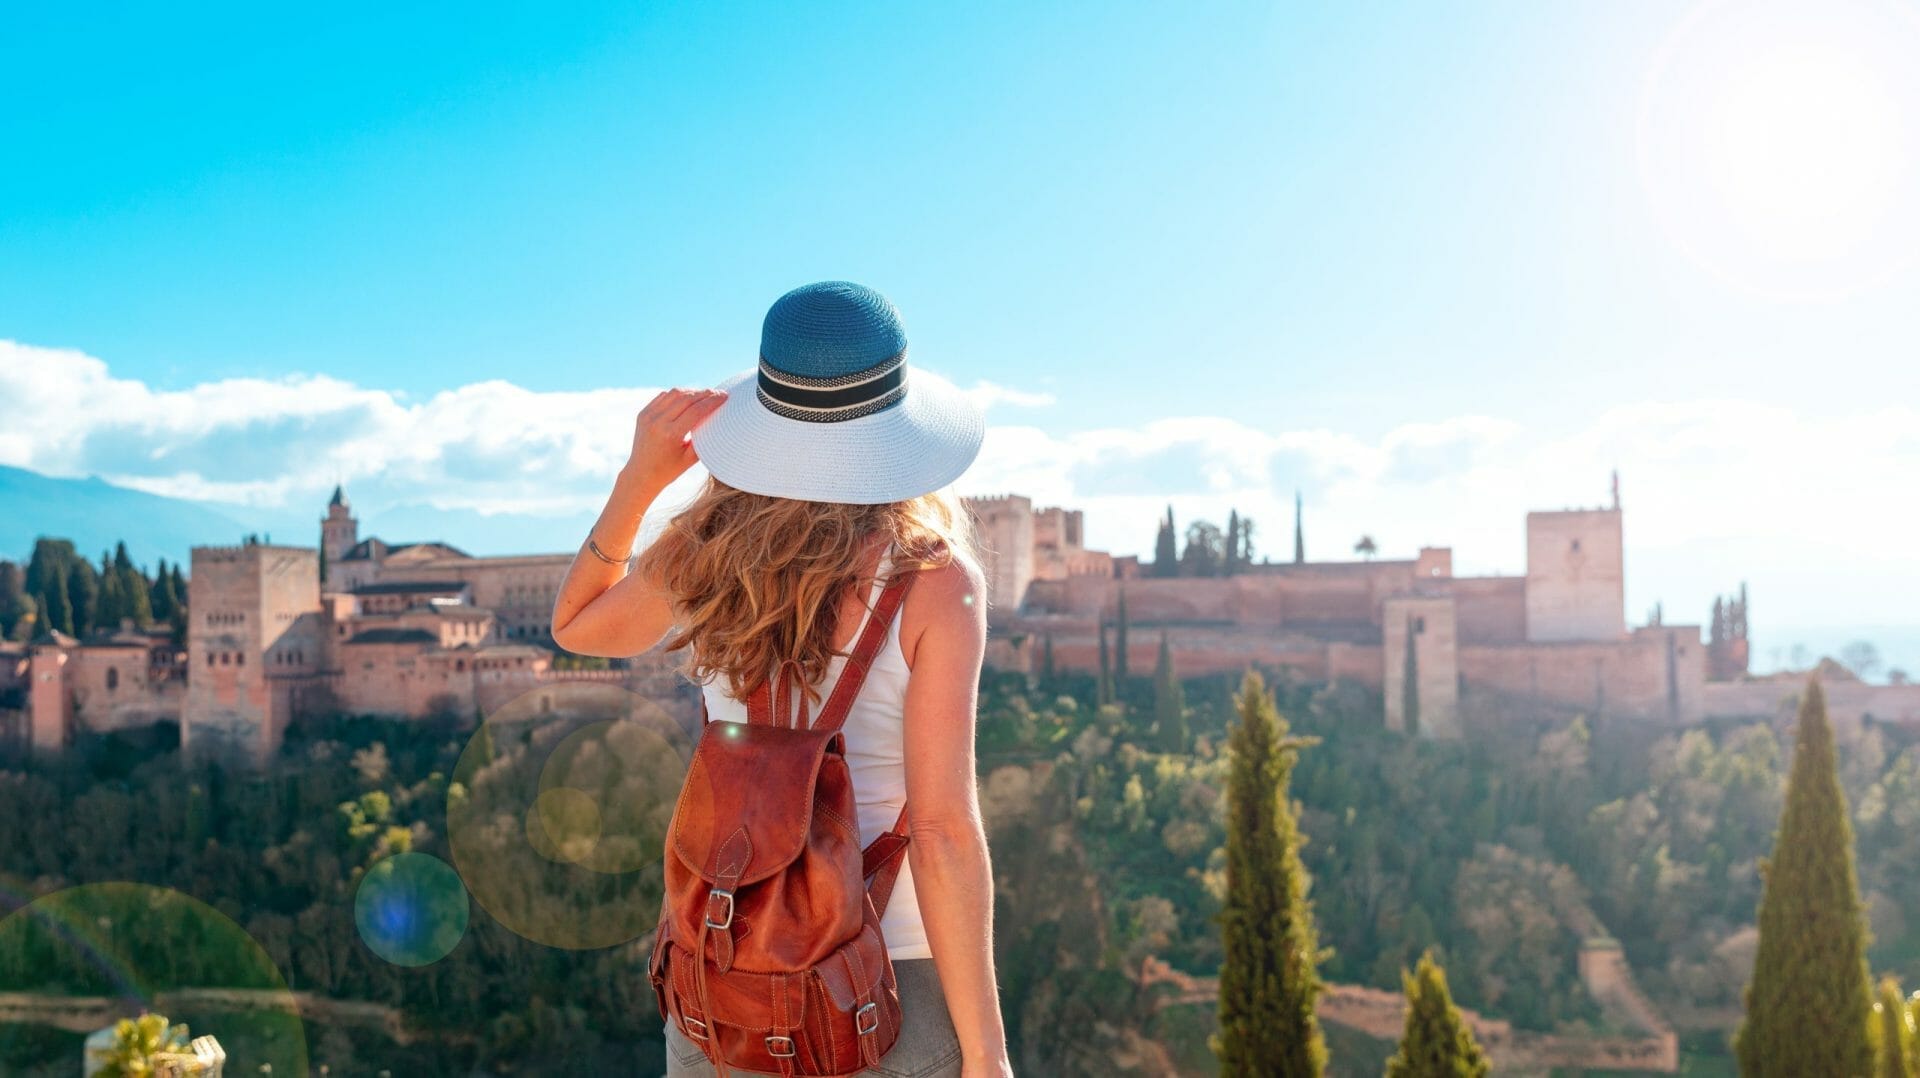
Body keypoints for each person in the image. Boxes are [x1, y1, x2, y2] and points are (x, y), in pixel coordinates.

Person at [550, 281, 1014, 1078]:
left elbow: (577, 626)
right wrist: (987, 1057)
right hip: (881, 989)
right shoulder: (936, 581)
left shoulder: (706, 557)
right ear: (895, 423)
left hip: (725, 986)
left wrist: (639, 480)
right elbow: (940, 835)